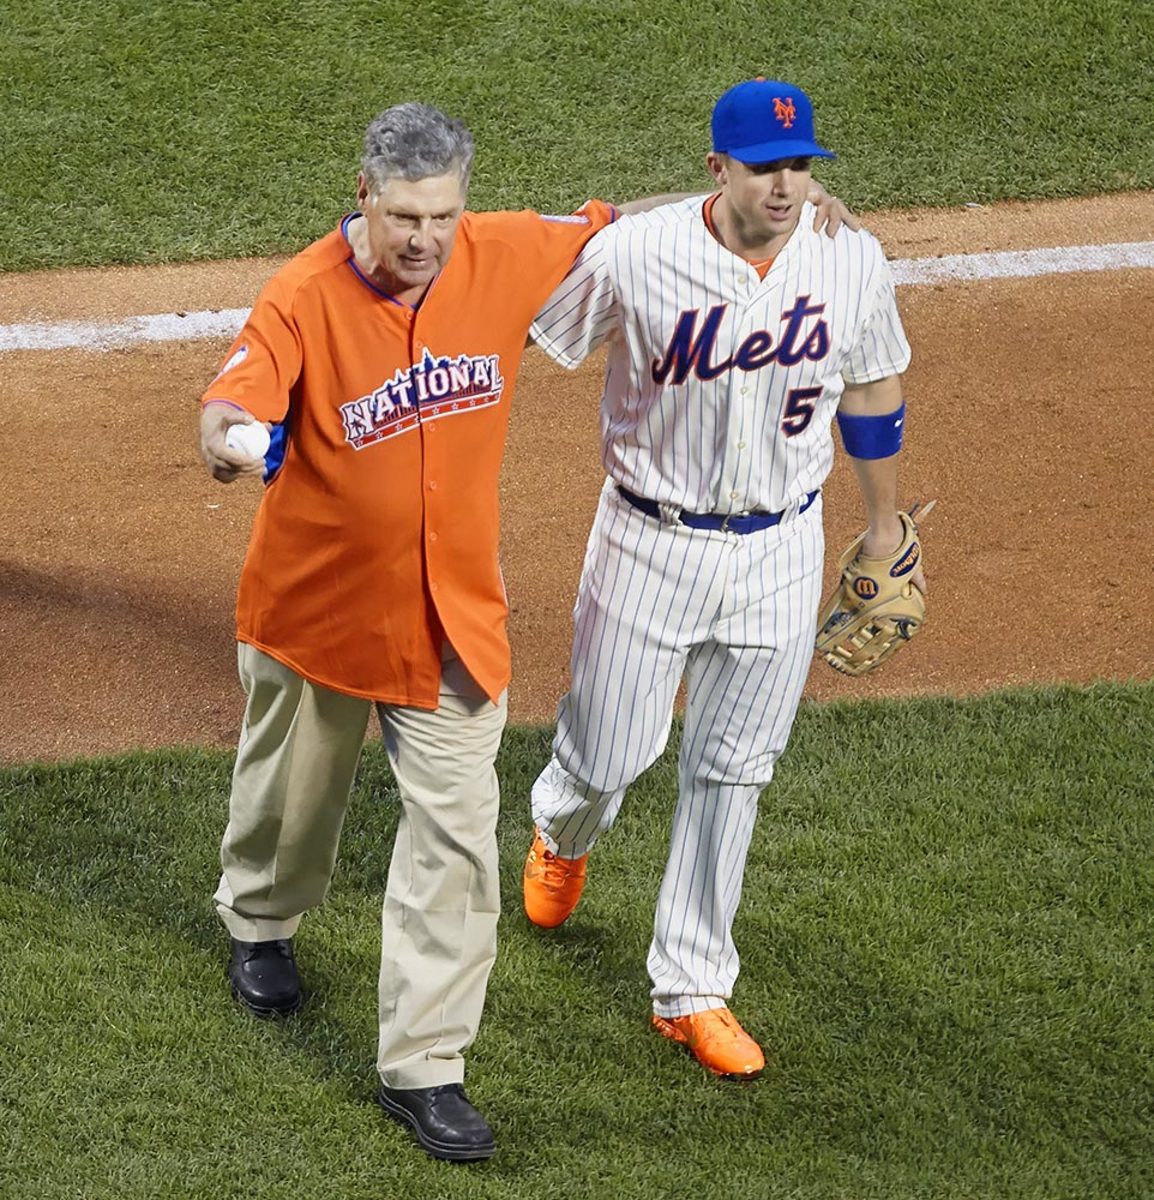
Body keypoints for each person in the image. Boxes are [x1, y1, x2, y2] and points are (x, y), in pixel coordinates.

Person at [198, 101, 854, 1162]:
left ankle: (426, 1067)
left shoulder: (499, 251)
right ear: (363, 197)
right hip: (317, 618)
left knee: (457, 844)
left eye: (441, 216)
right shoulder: (301, 296)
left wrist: (765, 200)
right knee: (293, 805)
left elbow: (622, 224)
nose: (423, 238)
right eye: (403, 216)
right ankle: (261, 918)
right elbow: (228, 405)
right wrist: (237, 441)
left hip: (452, 621)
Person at [521, 78, 924, 1081]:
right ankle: (561, 829)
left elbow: (871, 381)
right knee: (609, 753)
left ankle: (691, 989)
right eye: (762, 168)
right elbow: (532, 324)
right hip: (646, 541)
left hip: (782, 548)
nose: (785, 187)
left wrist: (882, 527)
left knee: (734, 769)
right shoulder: (636, 254)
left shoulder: (849, 259)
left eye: (800, 167)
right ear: (717, 168)